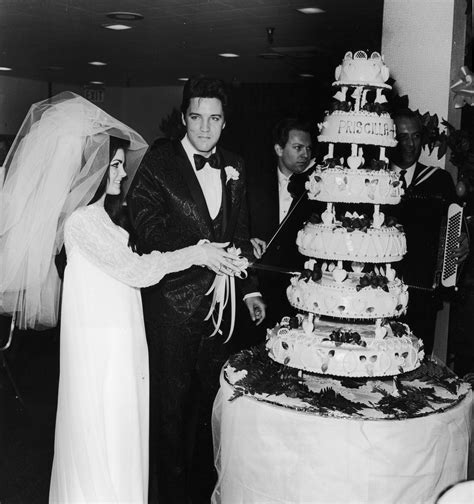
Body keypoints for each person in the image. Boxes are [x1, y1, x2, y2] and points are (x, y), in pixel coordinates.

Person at [0, 92, 242, 503]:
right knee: (104, 431)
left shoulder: (100, 217)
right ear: (89, 170)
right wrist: (198, 252)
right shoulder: (80, 222)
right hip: (103, 346)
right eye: (113, 165)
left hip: (120, 339)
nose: (120, 172)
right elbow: (137, 271)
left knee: (121, 429)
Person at [127, 76, 266, 503]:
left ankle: (205, 494)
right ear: (184, 119)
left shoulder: (236, 165)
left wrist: (250, 291)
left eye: (214, 119)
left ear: (225, 123)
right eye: (196, 117)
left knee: (210, 410)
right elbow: (145, 224)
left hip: (221, 313)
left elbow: (240, 234)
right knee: (170, 416)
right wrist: (195, 251)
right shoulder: (160, 159)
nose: (204, 128)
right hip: (171, 309)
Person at [388, 108, 469, 354]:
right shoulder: (372, 177)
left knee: (418, 369)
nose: (411, 144)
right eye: (403, 137)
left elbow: (457, 230)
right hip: (377, 294)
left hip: (423, 295)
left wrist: (464, 242)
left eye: (415, 136)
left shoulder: (439, 180)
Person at [246, 117, 314, 330]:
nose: (305, 154)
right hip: (258, 288)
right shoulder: (252, 184)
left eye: (308, 149)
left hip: (298, 293)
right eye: (298, 148)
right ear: (278, 149)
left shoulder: (314, 189)